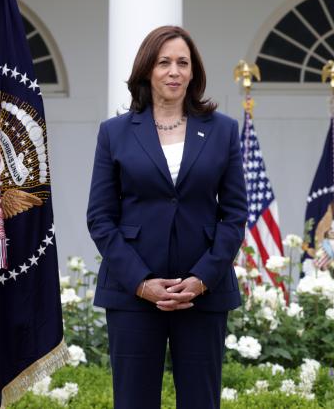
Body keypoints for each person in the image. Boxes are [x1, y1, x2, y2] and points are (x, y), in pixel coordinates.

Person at [87, 25, 247, 408]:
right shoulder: (114, 133)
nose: (174, 71)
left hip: (202, 295)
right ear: (147, 70)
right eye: (164, 62)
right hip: (132, 294)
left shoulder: (223, 130)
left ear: (193, 73)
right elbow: (100, 217)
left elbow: (235, 213)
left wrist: (201, 279)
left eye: (182, 63)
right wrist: (141, 283)